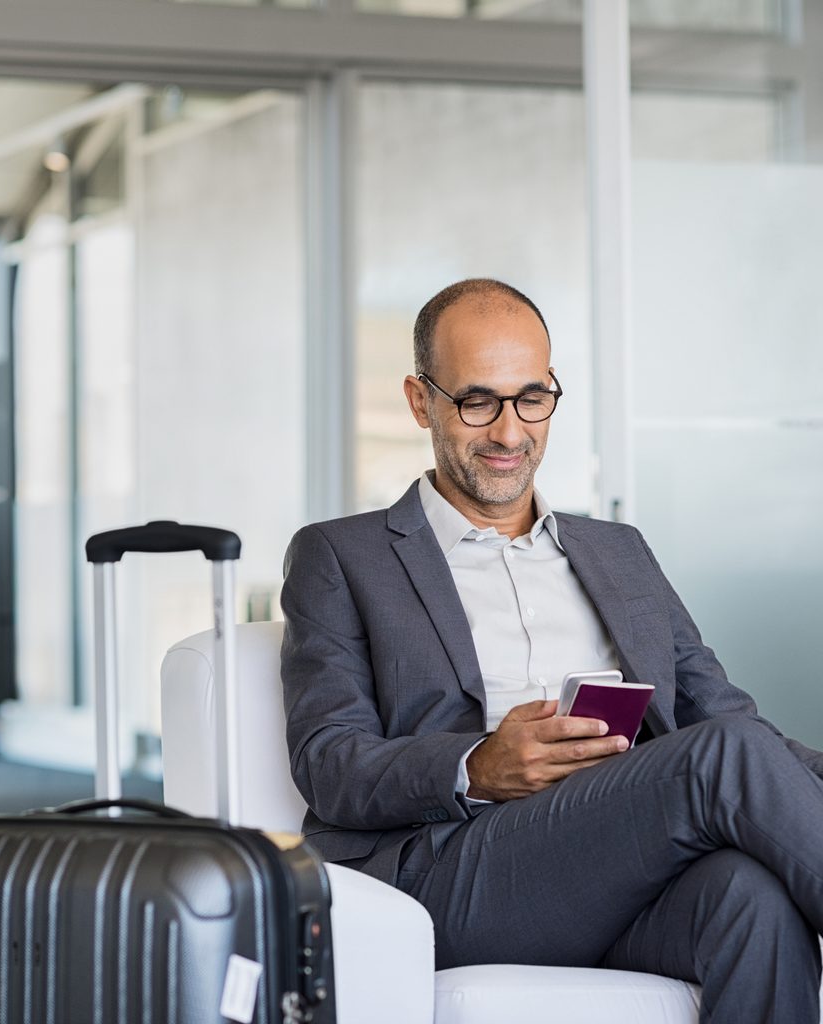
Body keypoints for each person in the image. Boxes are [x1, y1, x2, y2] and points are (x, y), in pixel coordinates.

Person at [280, 277, 823, 1023]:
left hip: (621, 863)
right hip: (460, 873)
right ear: (420, 400)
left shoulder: (619, 552)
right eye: (478, 401)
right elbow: (328, 761)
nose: (510, 432)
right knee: (721, 756)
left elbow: (729, 720)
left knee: (751, 896)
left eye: (532, 398)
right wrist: (479, 766)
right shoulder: (342, 556)